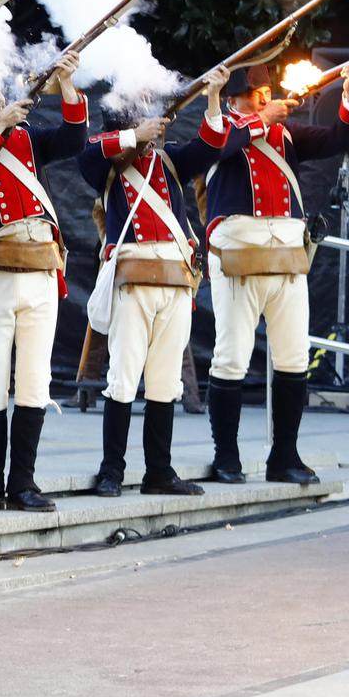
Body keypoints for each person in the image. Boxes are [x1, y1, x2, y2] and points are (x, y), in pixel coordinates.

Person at [202, 60, 349, 485]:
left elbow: (339, 138)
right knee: (232, 356)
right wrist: (259, 120)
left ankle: (285, 455)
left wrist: (348, 92)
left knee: (293, 358)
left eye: (265, 93)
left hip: (288, 256)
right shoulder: (221, 127)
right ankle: (227, 457)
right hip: (239, 254)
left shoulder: (285, 133)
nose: (266, 98)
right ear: (237, 98)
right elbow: (218, 146)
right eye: (257, 95)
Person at [76, 81, 229, 498]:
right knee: (123, 379)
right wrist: (133, 137)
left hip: (177, 282)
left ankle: (159, 471)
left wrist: (214, 97)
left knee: (164, 383)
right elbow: (89, 153)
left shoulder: (170, 161)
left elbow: (211, 146)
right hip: (133, 280)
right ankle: (112, 471)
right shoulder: (108, 164)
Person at [0, 51, 85, 513]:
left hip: (42, 272)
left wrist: (67, 84)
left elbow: (74, 137)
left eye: (0, 91)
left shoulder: (29, 139)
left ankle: (23, 482)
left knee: (33, 381)